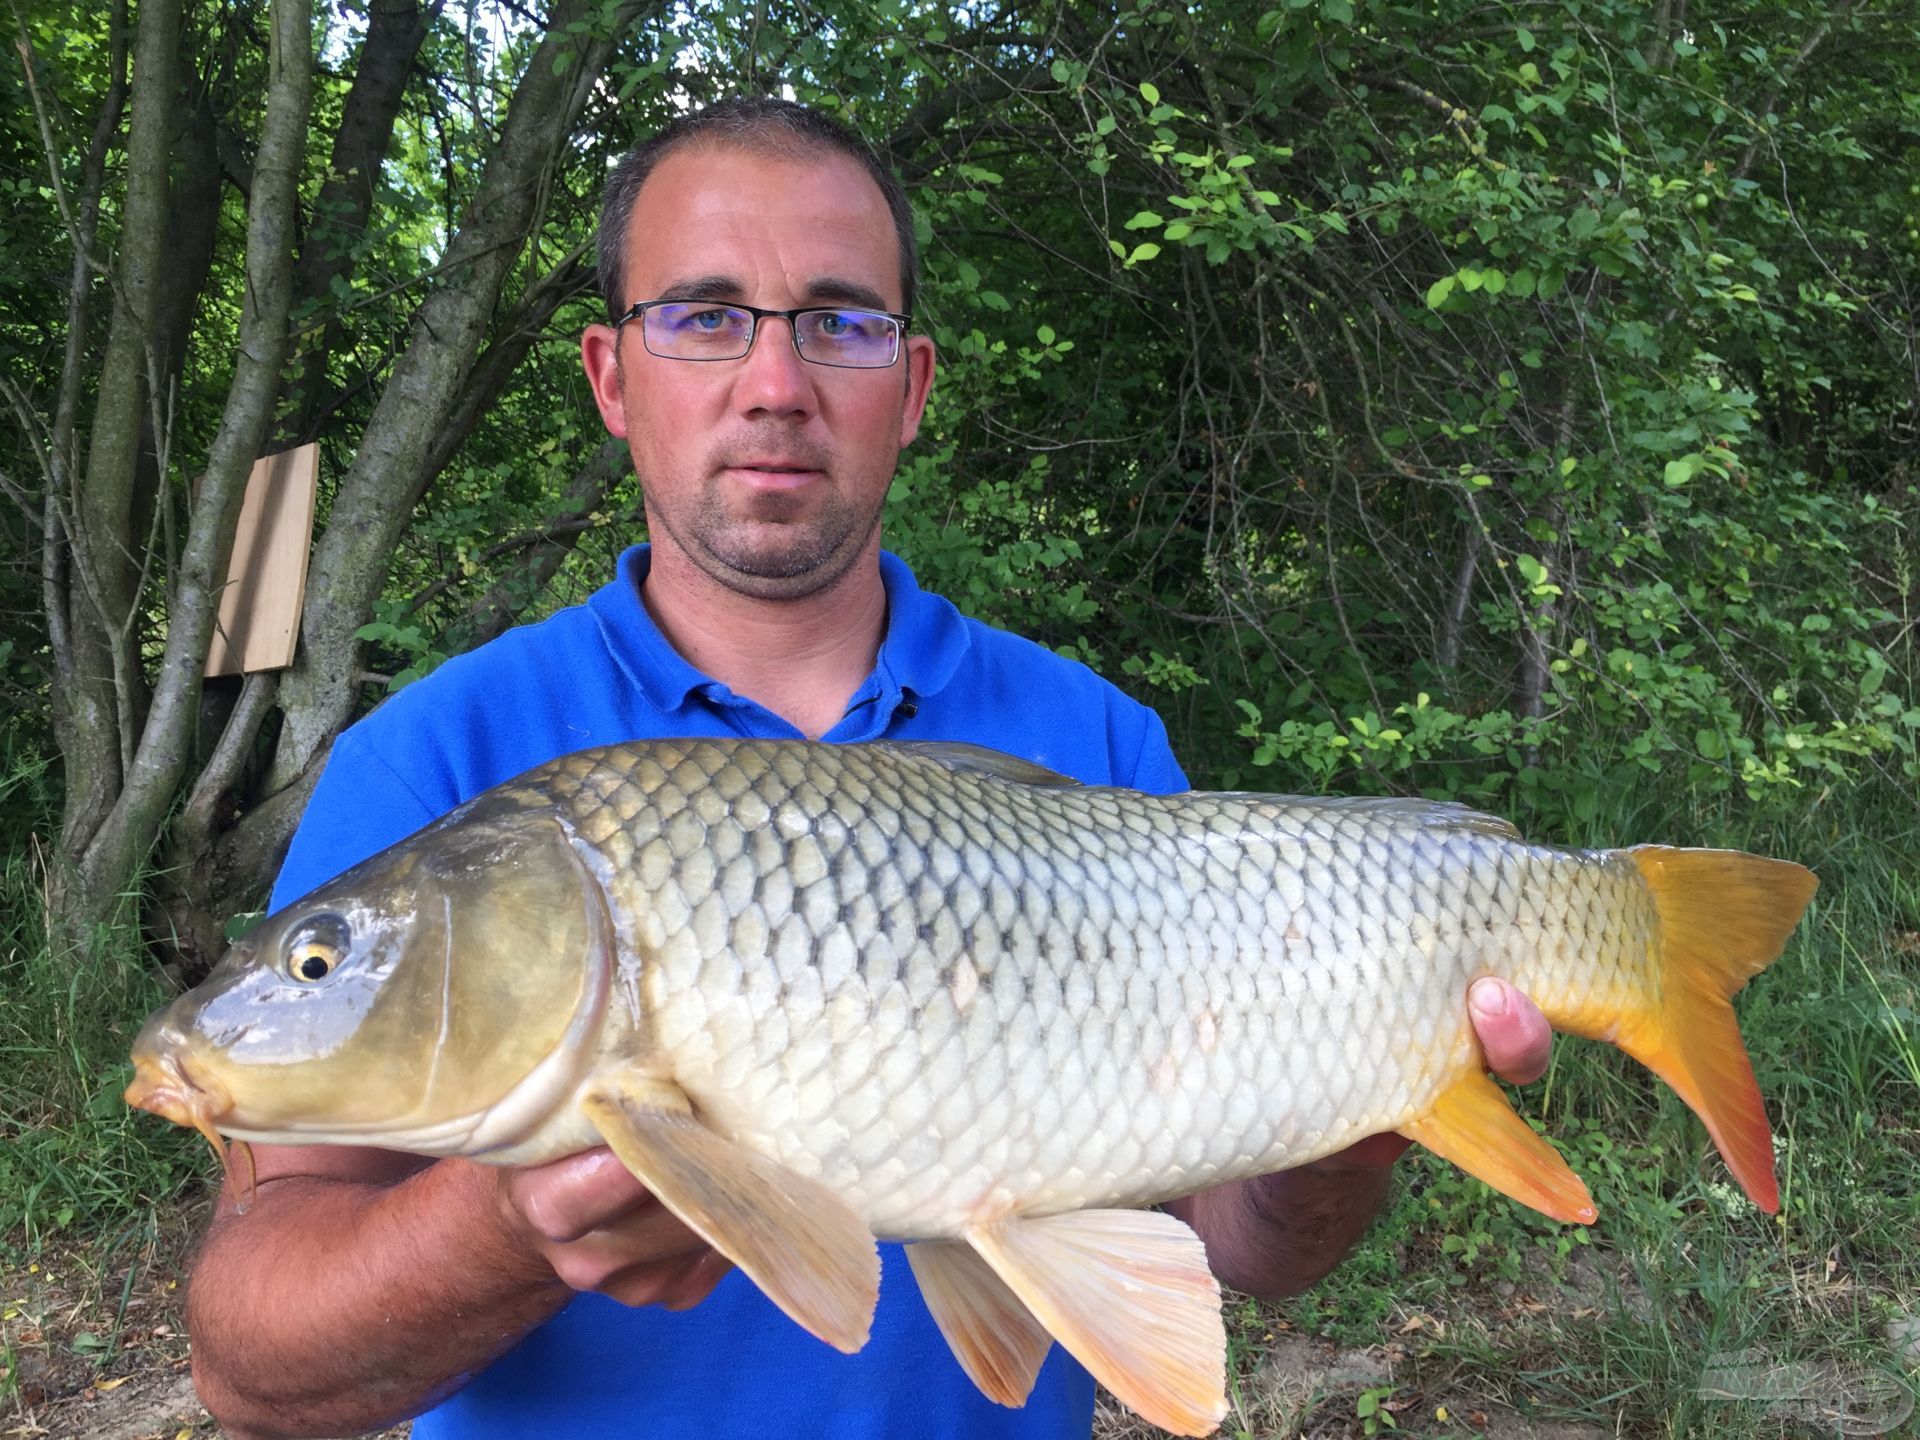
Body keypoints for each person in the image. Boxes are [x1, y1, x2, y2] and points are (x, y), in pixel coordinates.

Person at [185, 98, 1552, 1439]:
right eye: (705, 316)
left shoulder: (1095, 740)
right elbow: (250, 1364)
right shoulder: (439, 760)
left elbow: (1244, 1246)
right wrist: (507, 1226)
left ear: (911, 388)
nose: (775, 384)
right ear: (612, 375)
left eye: (840, 321)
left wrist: (1356, 1121)